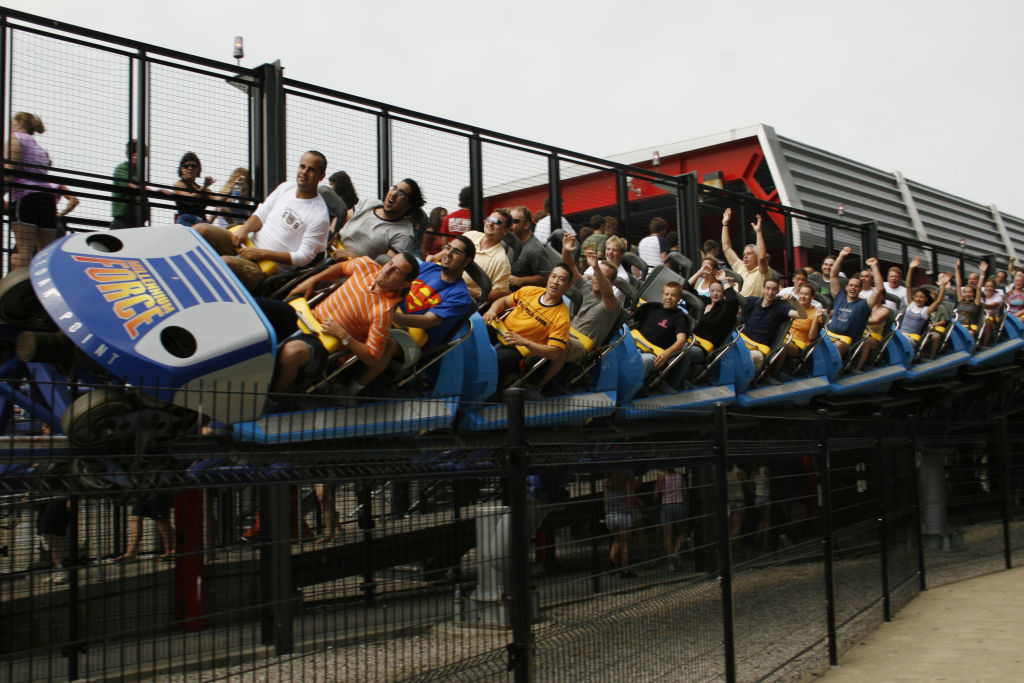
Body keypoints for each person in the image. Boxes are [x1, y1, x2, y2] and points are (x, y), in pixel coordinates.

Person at [274, 251, 420, 398]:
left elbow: (372, 357)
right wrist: (313, 280)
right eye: (390, 263)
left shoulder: (384, 312)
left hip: (323, 343)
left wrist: (344, 335)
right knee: (266, 309)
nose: (388, 270)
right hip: (305, 316)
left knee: (292, 352)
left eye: (396, 271)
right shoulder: (366, 265)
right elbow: (341, 267)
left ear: (404, 284)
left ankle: (272, 396)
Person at [193, 151, 330, 291]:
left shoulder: (319, 216)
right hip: (246, 244)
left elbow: (303, 257)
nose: (304, 172)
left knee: (225, 264)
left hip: (267, 268)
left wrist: (261, 253)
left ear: (321, 176)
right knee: (201, 230)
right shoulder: (285, 188)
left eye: (311, 169)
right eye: (302, 166)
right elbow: (262, 213)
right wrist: (245, 229)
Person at [482, 262, 573, 395]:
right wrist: (492, 311)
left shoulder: (562, 318)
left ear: (568, 286)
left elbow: (554, 353)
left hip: (517, 348)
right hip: (499, 329)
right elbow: (504, 301)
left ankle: (483, 393)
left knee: (494, 361)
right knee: (474, 335)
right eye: (553, 276)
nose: (555, 282)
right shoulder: (531, 290)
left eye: (561, 279)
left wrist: (525, 342)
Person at [394, 235, 476, 348]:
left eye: (456, 251)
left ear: (466, 261)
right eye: (448, 247)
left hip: (411, 341)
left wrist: (391, 317)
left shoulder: (461, 296)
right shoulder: (429, 267)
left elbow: (427, 320)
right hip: (394, 315)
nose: (448, 253)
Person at [6, 112, 58, 269]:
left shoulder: (16, 138)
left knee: (25, 249)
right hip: (47, 199)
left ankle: (23, 284)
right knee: (46, 252)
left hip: (26, 196)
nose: (10, 126)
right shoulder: (40, 149)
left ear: (20, 124)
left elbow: (11, 169)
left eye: (12, 122)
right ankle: (43, 283)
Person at [337, 179, 424, 259]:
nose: (393, 194)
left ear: (408, 206)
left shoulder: (404, 234)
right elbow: (341, 219)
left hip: (353, 267)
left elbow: (387, 267)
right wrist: (333, 232)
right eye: (394, 188)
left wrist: (355, 258)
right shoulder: (369, 203)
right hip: (333, 250)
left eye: (401, 194)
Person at [828, 247, 884, 372]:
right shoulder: (839, 297)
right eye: (851, 285)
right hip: (829, 336)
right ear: (846, 287)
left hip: (846, 343)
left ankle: (833, 373)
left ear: (860, 289)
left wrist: (874, 266)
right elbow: (833, 275)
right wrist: (841, 256)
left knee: (838, 345)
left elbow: (879, 289)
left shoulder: (864, 305)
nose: (853, 288)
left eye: (856, 286)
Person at [741, 277, 808, 382]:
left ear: (777, 291)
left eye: (774, 289)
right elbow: (736, 302)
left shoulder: (780, 308)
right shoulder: (752, 301)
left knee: (752, 357)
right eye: (768, 288)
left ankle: (744, 382)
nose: (770, 292)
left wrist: (795, 300)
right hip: (742, 341)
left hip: (758, 349)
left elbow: (803, 315)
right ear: (763, 289)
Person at [633, 280, 692, 388]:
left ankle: (630, 389)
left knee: (642, 361)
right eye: (666, 294)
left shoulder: (680, 318)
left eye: (673, 295)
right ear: (662, 295)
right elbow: (632, 317)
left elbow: (681, 340)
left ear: (679, 298)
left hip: (654, 354)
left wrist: (667, 353)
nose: (669, 298)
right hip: (635, 343)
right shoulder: (651, 307)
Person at [458, 209, 512, 301]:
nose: (490, 223)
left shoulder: (501, 261)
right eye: (489, 219)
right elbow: (448, 251)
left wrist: (475, 294)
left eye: (497, 222)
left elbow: (502, 293)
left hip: (464, 300)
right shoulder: (470, 235)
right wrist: (436, 257)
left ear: (505, 231)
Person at [720, 207, 770, 297]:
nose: (745, 257)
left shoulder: (762, 272)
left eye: (749, 254)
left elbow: (762, 257)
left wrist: (758, 232)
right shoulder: (740, 266)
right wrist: (725, 224)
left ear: (756, 256)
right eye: (744, 254)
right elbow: (726, 249)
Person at [899, 277, 950, 360]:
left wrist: (943, 286)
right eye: (916, 296)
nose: (918, 299)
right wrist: (911, 270)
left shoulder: (925, 311)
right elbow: (908, 286)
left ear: (926, 299)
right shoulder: (911, 304)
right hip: (900, 334)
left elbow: (938, 301)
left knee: (899, 343)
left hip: (911, 339)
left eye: (921, 297)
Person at [115, 494, 175, 562]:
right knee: (135, 518)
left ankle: (170, 551)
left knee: (162, 521)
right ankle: (131, 553)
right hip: (142, 493)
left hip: (156, 492)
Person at [508, 205, 553, 290]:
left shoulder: (535, 250)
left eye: (514, 221)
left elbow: (547, 277)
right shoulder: (510, 242)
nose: (510, 225)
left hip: (526, 295)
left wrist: (521, 280)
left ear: (526, 225)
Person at [110, 139, 150, 229]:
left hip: (138, 220)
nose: (135, 154)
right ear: (127, 153)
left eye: (139, 152)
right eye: (133, 151)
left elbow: (142, 188)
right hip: (122, 220)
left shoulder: (139, 172)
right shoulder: (121, 168)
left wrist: (157, 191)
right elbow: (131, 186)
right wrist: (151, 191)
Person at [654, 467, 688, 571]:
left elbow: (656, 494)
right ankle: (676, 553)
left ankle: (671, 563)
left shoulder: (661, 477)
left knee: (668, 536)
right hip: (679, 505)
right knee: (683, 532)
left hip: (666, 506)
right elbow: (685, 493)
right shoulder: (680, 476)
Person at [604, 471, 637, 578]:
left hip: (610, 516)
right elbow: (630, 499)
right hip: (623, 515)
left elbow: (606, 501)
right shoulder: (624, 483)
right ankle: (625, 570)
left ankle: (612, 562)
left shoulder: (606, 484)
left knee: (616, 541)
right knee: (624, 544)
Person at [171, 152, 214, 227]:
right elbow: (189, 200)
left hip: (202, 223)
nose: (190, 168)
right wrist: (203, 187)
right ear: (181, 169)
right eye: (186, 166)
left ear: (198, 169)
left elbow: (218, 200)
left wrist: (231, 185)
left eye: (193, 166)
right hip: (186, 222)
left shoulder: (202, 188)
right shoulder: (179, 184)